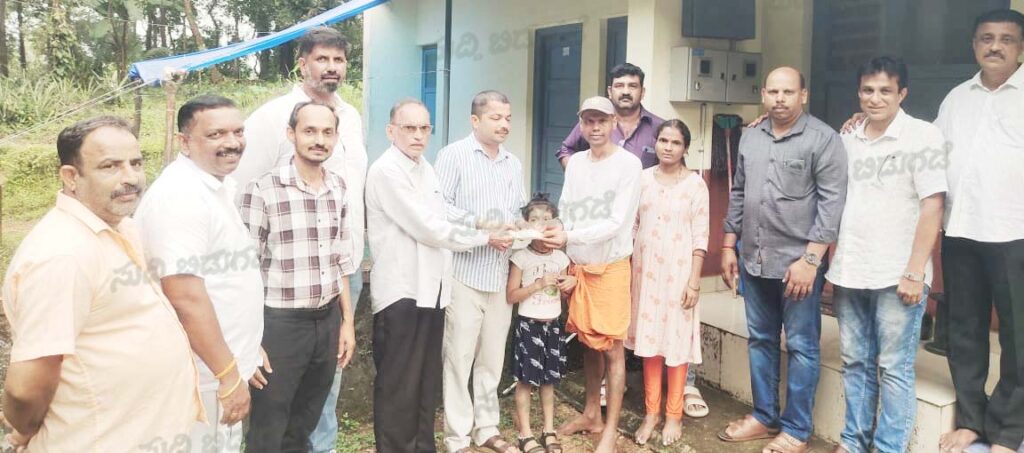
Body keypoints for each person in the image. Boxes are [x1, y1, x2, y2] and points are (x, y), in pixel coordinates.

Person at [0, 116, 202, 451]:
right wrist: (26, 429)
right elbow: (26, 389)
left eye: (136, 163)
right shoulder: (62, 254)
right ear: (71, 177)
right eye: (110, 166)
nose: (131, 177)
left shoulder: (120, 228)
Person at [232, 28, 368, 450]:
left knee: (321, 392)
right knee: (274, 406)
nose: (331, 67)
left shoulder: (351, 118)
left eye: (338, 60)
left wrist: (346, 318)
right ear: (302, 63)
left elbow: (351, 201)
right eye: (322, 58)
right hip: (280, 301)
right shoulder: (271, 119)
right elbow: (243, 213)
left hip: (337, 279)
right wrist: (250, 332)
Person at [365, 99, 511, 452]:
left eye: (424, 128)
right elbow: (428, 227)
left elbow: (443, 213)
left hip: (433, 291)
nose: (418, 135)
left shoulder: (425, 168)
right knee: (399, 385)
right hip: (401, 292)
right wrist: (484, 238)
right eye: (409, 128)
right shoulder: (386, 171)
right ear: (391, 131)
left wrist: (481, 224)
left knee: (424, 383)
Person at [718, 67, 847, 453]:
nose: (780, 99)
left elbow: (832, 204)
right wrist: (728, 244)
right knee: (760, 339)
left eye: (788, 92)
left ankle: (796, 430)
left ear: (803, 95)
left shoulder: (823, 139)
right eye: (773, 91)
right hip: (753, 257)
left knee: (803, 346)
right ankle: (764, 417)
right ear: (763, 94)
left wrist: (811, 260)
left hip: (798, 266)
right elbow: (739, 192)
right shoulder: (751, 136)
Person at [827, 57, 946, 453]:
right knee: (855, 361)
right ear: (858, 92)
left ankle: (888, 447)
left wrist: (915, 271)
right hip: (850, 270)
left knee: (894, 367)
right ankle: (853, 441)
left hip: (899, 274)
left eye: (885, 91)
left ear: (902, 94)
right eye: (867, 90)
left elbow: (932, 205)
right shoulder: (848, 138)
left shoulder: (923, 136)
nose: (874, 98)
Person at [135, 95, 265, 453]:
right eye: (216, 134)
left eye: (238, 131)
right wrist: (227, 372)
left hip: (219, 368)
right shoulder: (181, 196)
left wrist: (246, 348)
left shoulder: (215, 187)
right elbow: (183, 295)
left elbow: (225, 282)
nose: (232, 142)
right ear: (185, 142)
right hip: (201, 377)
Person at [933, 9, 1024, 453]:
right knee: (964, 329)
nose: (995, 46)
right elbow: (927, 151)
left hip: (1015, 232)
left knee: (1018, 335)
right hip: (961, 229)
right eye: (987, 38)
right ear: (974, 45)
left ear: (1021, 48)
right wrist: (867, 122)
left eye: (1006, 39)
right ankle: (972, 420)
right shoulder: (956, 98)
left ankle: (1008, 430)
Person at [539, 96, 642, 453]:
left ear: (614, 123)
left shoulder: (629, 164)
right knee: (587, 341)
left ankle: (610, 429)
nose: (595, 128)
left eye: (601, 121)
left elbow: (616, 223)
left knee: (612, 348)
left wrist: (569, 236)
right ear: (581, 125)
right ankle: (591, 415)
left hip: (610, 267)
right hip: (578, 266)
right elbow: (566, 209)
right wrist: (557, 240)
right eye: (588, 121)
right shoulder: (577, 163)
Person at [436, 90, 526, 453]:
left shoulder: (512, 163)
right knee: (459, 358)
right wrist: (483, 227)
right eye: (495, 118)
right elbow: (439, 207)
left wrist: (522, 228)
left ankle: (486, 428)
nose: (504, 124)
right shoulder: (453, 155)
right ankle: (457, 437)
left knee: (492, 358)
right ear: (475, 120)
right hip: (464, 273)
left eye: (508, 118)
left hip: (500, 275)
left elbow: (516, 211)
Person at [627, 119, 709, 447]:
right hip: (645, 273)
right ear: (656, 143)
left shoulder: (696, 185)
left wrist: (694, 282)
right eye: (663, 140)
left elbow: (701, 235)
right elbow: (633, 225)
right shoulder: (642, 179)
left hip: (679, 275)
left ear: (685, 148)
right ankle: (652, 413)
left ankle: (674, 414)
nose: (668, 147)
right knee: (650, 343)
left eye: (675, 143)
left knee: (675, 344)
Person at [507, 193, 576, 453]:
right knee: (525, 381)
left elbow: (565, 295)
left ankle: (548, 430)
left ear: (555, 224)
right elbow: (511, 296)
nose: (542, 224)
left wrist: (569, 285)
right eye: (534, 219)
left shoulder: (561, 258)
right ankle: (525, 434)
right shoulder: (521, 257)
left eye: (547, 219)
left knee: (549, 381)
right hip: (529, 326)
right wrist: (537, 285)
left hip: (553, 326)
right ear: (526, 225)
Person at [556, 63, 664, 170]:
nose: (626, 92)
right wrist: (578, 174)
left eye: (632, 86)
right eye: (619, 86)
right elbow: (565, 150)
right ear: (610, 92)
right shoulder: (593, 123)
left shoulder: (659, 127)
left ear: (642, 92)